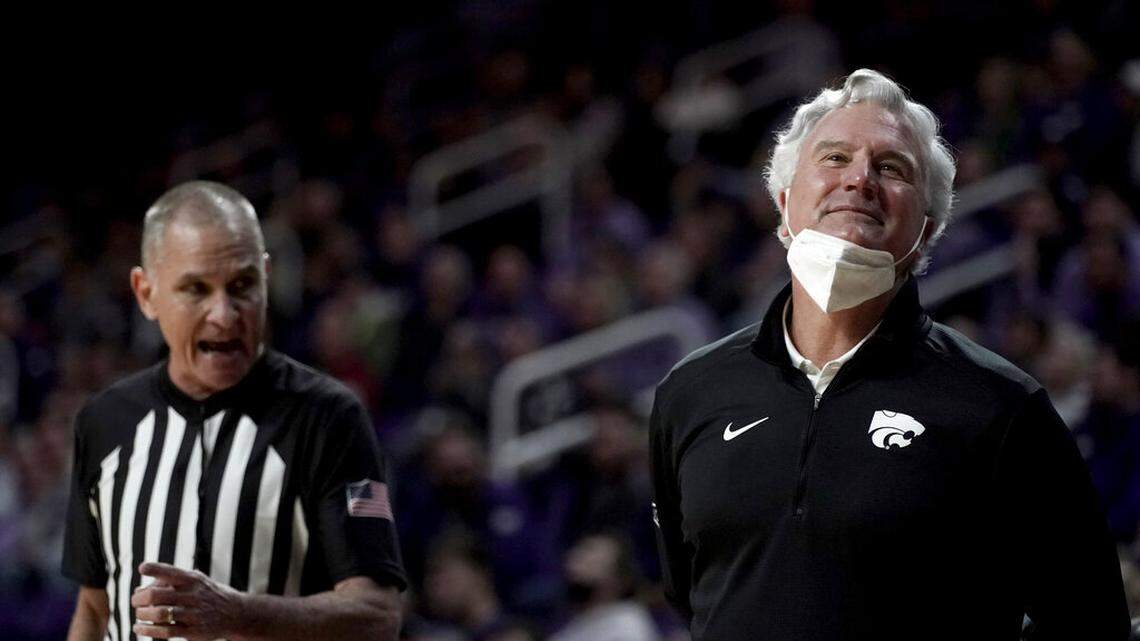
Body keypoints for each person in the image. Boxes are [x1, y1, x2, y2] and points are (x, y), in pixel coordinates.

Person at [648, 69, 1130, 640]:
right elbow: (698, 593)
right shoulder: (691, 390)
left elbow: (1091, 625)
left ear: (926, 232)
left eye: (891, 167)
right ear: (783, 204)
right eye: (833, 158)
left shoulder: (1003, 408)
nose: (859, 179)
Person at [61, 181, 406, 641]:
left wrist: (236, 614)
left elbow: (377, 614)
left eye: (242, 285)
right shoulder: (103, 422)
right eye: (196, 289)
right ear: (146, 294)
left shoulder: (331, 418)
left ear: (266, 278)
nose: (224, 314)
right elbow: (93, 607)